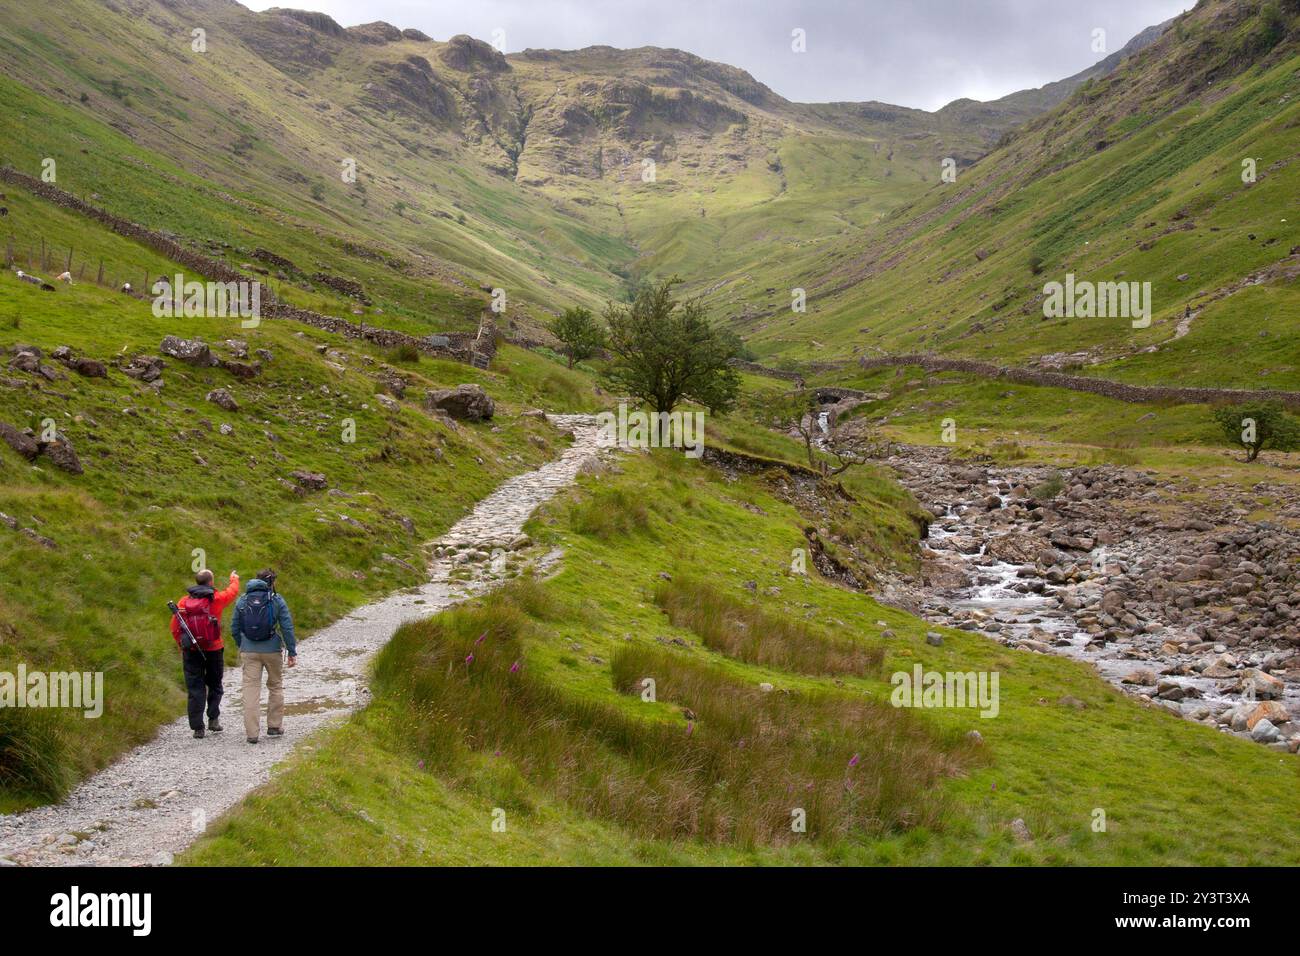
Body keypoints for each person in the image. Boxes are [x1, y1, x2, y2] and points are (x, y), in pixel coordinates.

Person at [170, 569, 240, 739]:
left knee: (195, 688)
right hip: (214, 648)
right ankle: (213, 719)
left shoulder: (184, 602)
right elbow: (232, 592)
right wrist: (234, 578)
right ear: (211, 582)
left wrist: (182, 644)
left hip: (192, 651)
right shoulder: (216, 599)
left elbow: (174, 626)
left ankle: (197, 728)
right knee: (215, 684)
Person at [231, 569, 297, 744]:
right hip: (272, 650)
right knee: (275, 685)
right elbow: (287, 627)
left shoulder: (242, 600)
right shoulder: (276, 600)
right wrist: (292, 651)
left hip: (248, 650)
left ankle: (252, 733)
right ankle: (274, 726)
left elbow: (234, 628)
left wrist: (242, 645)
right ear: (272, 582)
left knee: (250, 689)